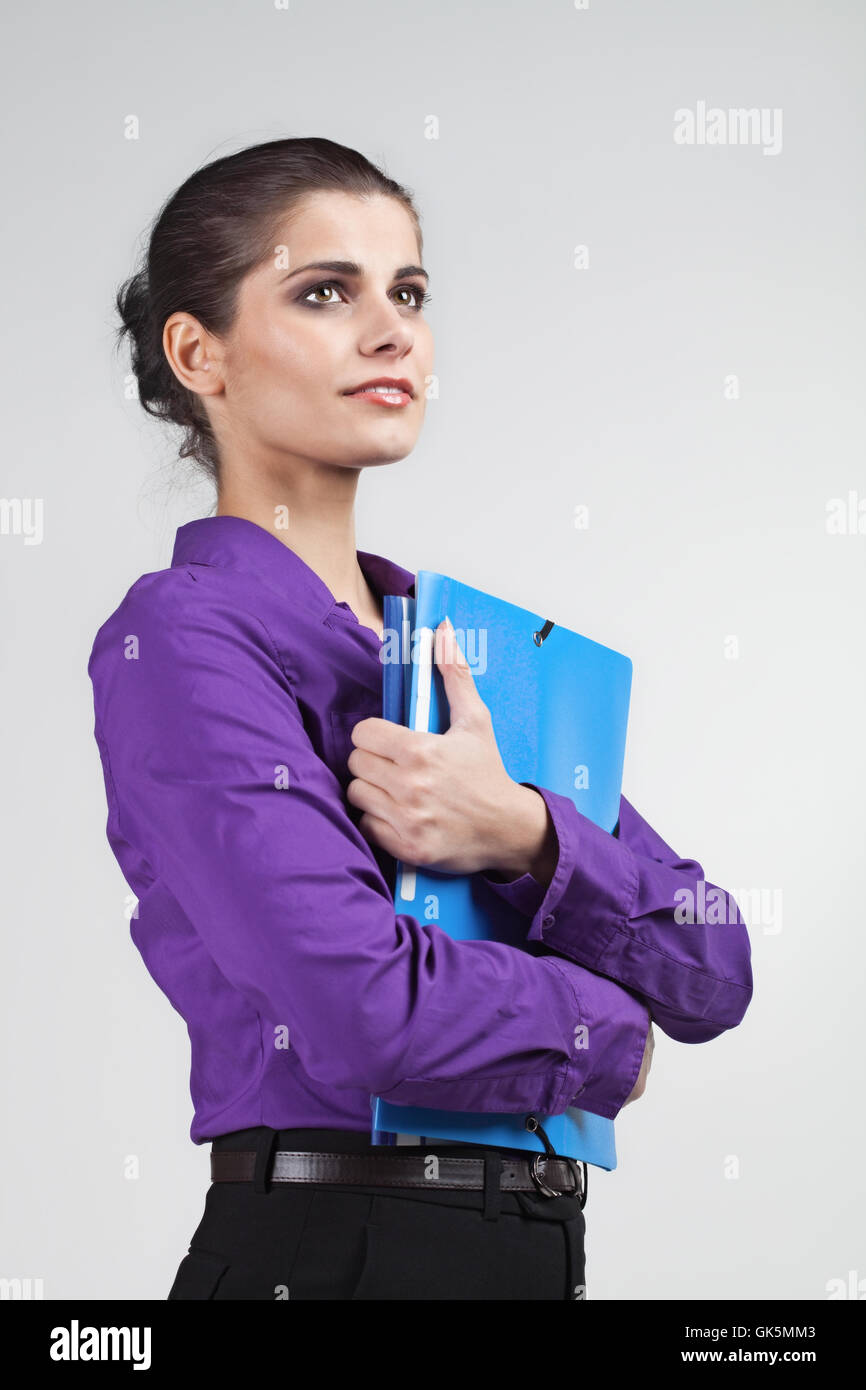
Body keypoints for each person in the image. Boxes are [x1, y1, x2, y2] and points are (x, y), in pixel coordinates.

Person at [87, 136, 753, 1301]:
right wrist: (615, 1035)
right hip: (340, 1248)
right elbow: (367, 1014)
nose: (390, 329)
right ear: (200, 354)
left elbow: (711, 963)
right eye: (323, 292)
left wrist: (524, 836)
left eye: (408, 293)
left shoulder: (457, 649)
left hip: (528, 1251)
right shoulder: (184, 638)